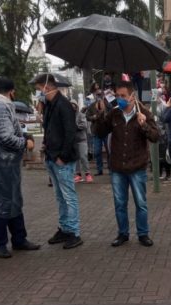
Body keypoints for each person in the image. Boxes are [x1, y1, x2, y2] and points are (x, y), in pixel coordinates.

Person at [0, 78, 41, 258]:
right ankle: (1, 243)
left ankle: (19, 239)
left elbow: (4, 131)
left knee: (13, 201)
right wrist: (25, 142)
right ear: (11, 91)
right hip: (0, 164)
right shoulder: (1, 107)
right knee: (3, 203)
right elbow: (5, 138)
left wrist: (22, 134)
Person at [93, 80, 160, 247]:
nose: (119, 99)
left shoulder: (144, 112)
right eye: (117, 96)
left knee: (141, 203)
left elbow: (155, 136)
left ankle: (143, 234)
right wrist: (100, 114)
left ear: (132, 96)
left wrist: (143, 124)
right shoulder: (114, 114)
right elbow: (99, 132)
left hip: (137, 167)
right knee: (120, 203)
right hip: (117, 167)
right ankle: (123, 233)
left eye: (123, 96)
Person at [33, 73, 84, 250]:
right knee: (60, 196)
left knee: (68, 196)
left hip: (62, 158)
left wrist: (62, 156)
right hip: (52, 156)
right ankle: (65, 228)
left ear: (47, 87)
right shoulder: (49, 105)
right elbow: (51, 131)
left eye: (39, 89)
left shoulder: (63, 105)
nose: (39, 93)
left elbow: (70, 133)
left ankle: (74, 232)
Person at [85, 83, 106, 176]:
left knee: (110, 151)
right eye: (97, 94)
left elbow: (112, 112)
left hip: (106, 131)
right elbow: (87, 116)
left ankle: (112, 169)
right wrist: (93, 117)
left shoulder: (107, 104)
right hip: (96, 131)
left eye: (100, 94)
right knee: (97, 152)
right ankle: (99, 170)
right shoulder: (92, 105)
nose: (99, 96)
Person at [71, 100, 93, 183]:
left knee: (83, 157)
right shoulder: (68, 116)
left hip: (82, 140)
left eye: (74, 105)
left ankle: (87, 174)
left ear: (76, 106)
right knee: (76, 158)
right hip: (73, 141)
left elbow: (84, 125)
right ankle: (78, 175)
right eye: (71, 106)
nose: (73, 107)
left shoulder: (81, 115)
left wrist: (74, 126)